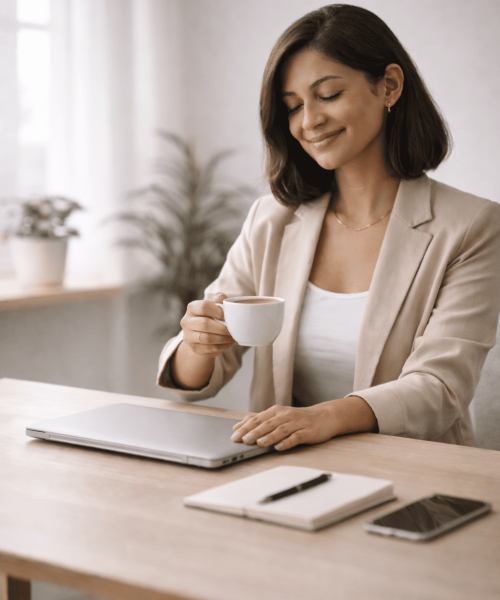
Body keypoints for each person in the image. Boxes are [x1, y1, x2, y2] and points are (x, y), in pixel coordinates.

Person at [157, 4, 500, 450]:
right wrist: (198, 345)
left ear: (389, 86)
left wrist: (326, 418)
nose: (309, 121)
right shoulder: (271, 220)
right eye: (293, 106)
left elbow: (440, 387)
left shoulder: (472, 226)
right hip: (286, 471)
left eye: (329, 94)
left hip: (417, 478)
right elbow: (196, 377)